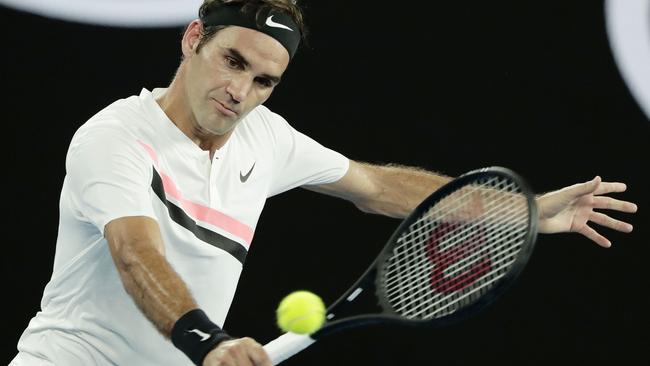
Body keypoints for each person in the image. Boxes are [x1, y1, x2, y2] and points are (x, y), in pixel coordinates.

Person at [10, 0, 638, 365]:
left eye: (264, 81)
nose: (240, 92)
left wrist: (521, 210)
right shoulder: (115, 135)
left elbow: (377, 187)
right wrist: (208, 343)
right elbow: (134, 253)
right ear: (194, 39)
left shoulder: (266, 138)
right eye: (233, 61)